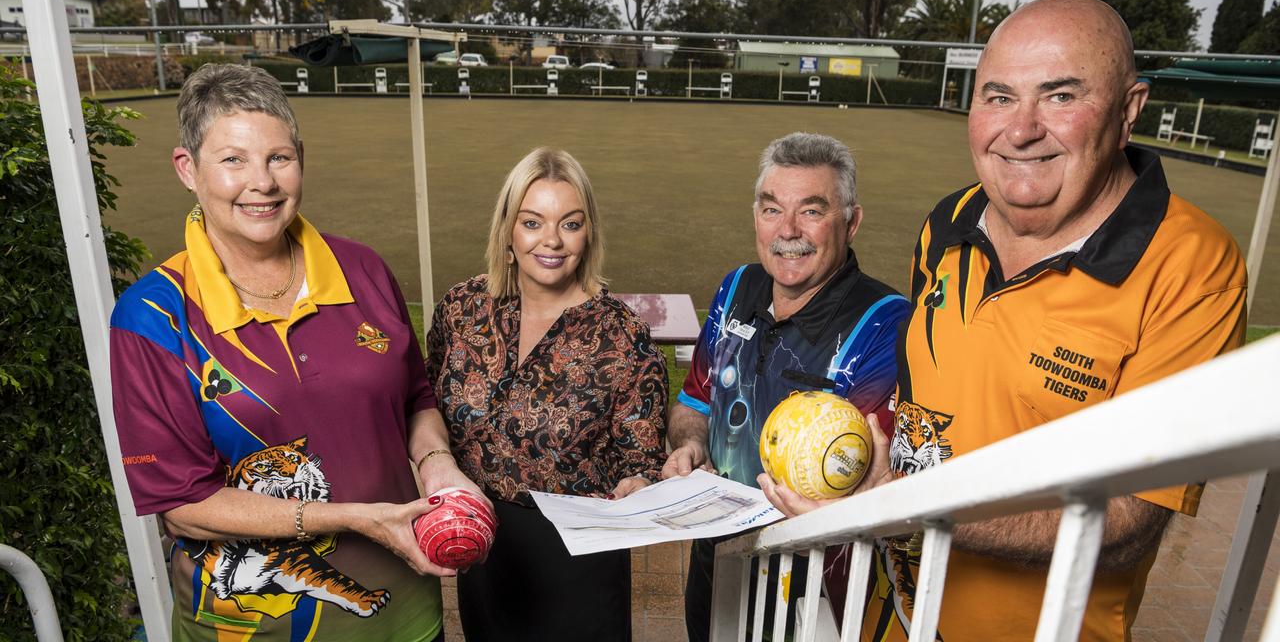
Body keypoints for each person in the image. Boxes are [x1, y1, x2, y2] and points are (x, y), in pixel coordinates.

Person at [762, 0, 1248, 641]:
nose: (1020, 130)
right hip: (892, 616)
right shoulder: (948, 221)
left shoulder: (1191, 265)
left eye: (1060, 96)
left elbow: (1127, 523)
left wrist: (899, 506)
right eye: (998, 97)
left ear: (1130, 110)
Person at [109, 64, 482, 641]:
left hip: (407, 615)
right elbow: (183, 504)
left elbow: (415, 398)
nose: (262, 182)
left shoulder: (364, 269)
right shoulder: (153, 317)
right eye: (233, 159)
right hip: (249, 631)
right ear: (188, 169)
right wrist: (357, 520)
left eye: (279, 158)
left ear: (301, 159)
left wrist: (440, 466)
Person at [664, 132, 910, 642]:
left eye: (812, 211)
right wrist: (688, 444)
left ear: (851, 222)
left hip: (815, 589)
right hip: (715, 563)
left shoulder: (886, 326)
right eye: (772, 209)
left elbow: (875, 486)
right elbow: (695, 401)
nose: (788, 231)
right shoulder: (735, 288)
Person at [424, 147, 668, 642]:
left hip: (577, 560)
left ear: (589, 232)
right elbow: (426, 404)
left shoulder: (624, 335)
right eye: (533, 222)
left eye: (570, 224)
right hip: (483, 546)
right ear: (508, 229)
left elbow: (639, 460)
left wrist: (638, 486)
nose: (552, 240)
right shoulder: (461, 308)